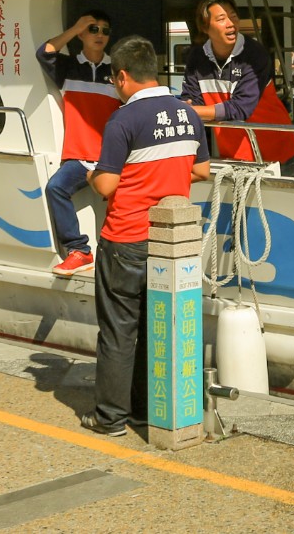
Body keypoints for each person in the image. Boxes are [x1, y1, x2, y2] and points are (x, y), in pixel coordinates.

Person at [83, 35, 208, 437]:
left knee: (120, 331)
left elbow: (105, 185)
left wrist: (90, 172)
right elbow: (202, 171)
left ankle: (110, 418)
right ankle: (143, 410)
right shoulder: (188, 114)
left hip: (125, 239)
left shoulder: (123, 120)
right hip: (169, 243)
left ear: (121, 76)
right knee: (156, 326)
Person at [36, 10, 118, 276]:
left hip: (113, 158)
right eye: (93, 29)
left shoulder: (117, 70)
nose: (100, 35)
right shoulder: (68, 67)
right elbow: (44, 53)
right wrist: (75, 27)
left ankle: (122, 256)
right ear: (82, 34)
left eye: (105, 31)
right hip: (79, 157)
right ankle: (79, 250)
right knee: (55, 188)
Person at [181, 0, 294, 167]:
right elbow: (190, 100)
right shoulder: (197, 58)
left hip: (277, 155)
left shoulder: (254, 55)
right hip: (232, 156)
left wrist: (192, 112)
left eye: (234, 17)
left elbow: (240, 108)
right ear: (205, 27)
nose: (231, 24)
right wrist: (190, 109)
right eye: (222, 19)